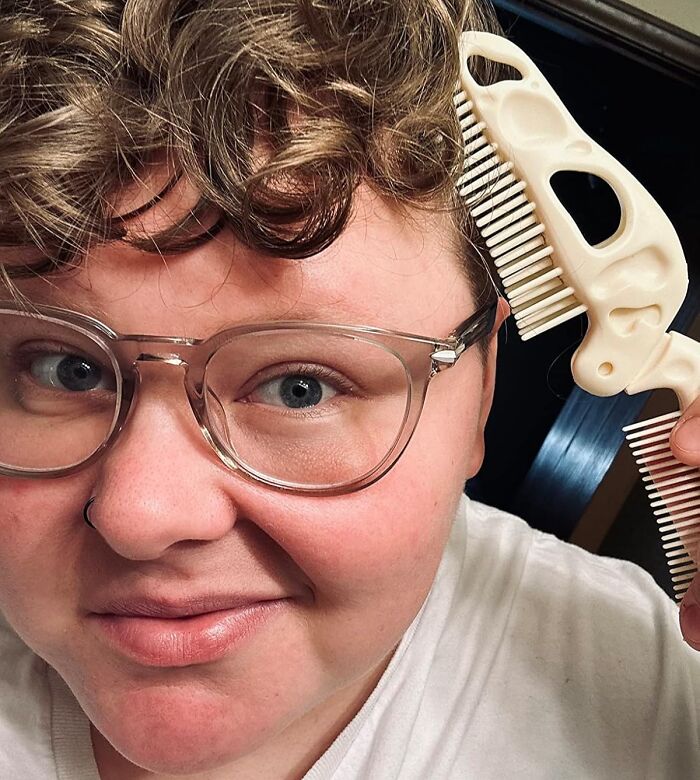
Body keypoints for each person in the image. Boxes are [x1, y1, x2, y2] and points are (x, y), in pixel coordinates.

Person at [0, 1, 699, 778]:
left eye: (300, 387)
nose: (141, 517)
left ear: (481, 393)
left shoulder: (662, 701)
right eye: (64, 369)